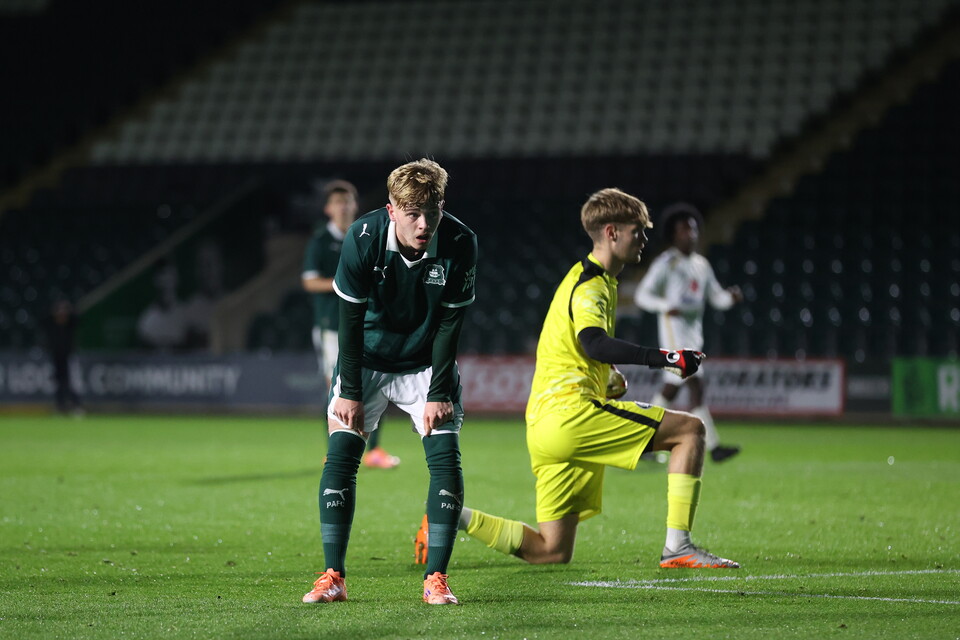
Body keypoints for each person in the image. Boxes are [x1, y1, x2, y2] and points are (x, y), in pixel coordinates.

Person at [415, 188, 738, 570]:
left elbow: (575, 348)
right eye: (639, 231)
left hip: (543, 427)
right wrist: (665, 358)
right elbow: (593, 342)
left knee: (552, 550)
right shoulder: (592, 284)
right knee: (690, 431)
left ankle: (448, 514)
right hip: (572, 415)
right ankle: (678, 547)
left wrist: (606, 377)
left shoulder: (583, 279)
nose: (645, 240)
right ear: (612, 232)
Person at [302, 159, 478, 606]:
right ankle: (333, 577)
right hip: (368, 358)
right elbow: (350, 319)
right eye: (412, 213)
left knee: (446, 459)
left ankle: (436, 578)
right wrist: (351, 390)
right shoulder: (362, 238)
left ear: (442, 206)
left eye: (431, 212)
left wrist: (439, 391)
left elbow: (449, 325)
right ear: (392, 209)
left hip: (425, 364)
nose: (423, 224)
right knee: (341, 456)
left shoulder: (460, 241)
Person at [301, 179, 400, 470]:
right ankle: (334, 449)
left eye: (348, 201)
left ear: (356, 206)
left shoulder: (365, 235)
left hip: (367, 321)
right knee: (336, 386)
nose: (344, 207)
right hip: (331, 325)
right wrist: (342, 283)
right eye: (338, 202)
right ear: (328, 209)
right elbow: (309, 281)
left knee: (377, 382)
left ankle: (375, 450)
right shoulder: (320, 241)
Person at [634, 202, 743, 463]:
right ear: (674, 235)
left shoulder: (701, 265)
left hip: (694, 334)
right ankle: (713, 447)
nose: (690, 234)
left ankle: (644, 442)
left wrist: (730, 298)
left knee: (675, 386)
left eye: (693, 230)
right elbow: (642, 295)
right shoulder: (666, 263)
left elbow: (716, 297)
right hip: (673, 332)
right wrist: (664, 306)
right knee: (693, 385)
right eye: (684, 230)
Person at [42, 299, 83, 415]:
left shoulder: (70, 324)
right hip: (56, 358)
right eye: (59, 312)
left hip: (70, 357)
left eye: (63, 312)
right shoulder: (51, 324)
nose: (62, 314)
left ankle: (76, 406)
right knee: (58, 383)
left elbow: (78, 317)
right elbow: (43, 318)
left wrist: (68, 308)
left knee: (74, 382)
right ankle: (60, 406)